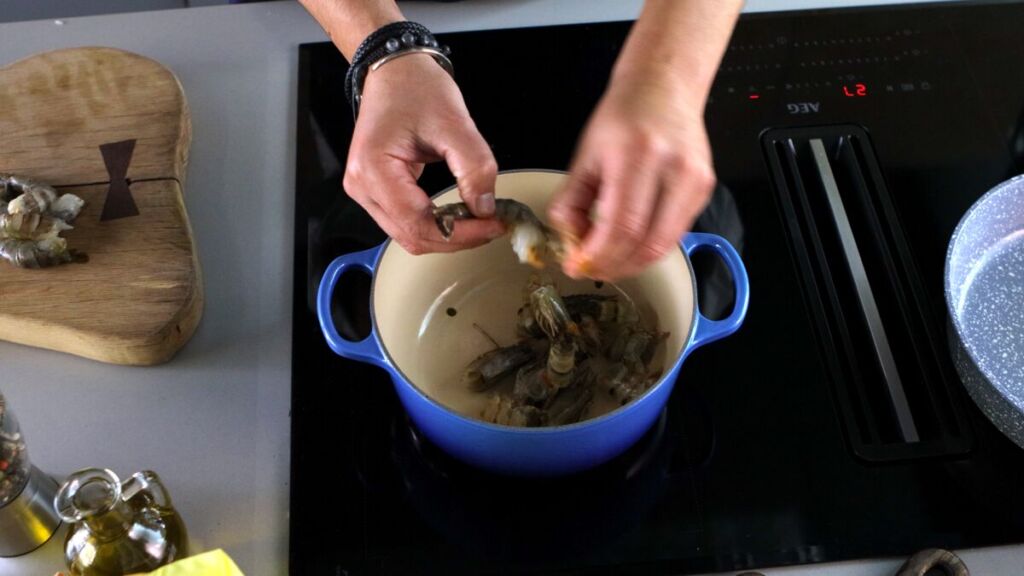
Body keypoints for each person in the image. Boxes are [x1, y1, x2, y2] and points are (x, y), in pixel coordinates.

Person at [298, 0, 743, 281]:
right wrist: (380, 45)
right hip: (370, 48)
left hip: (626, 27)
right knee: (360, 233)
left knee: (696, 253)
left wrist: (667, 80)